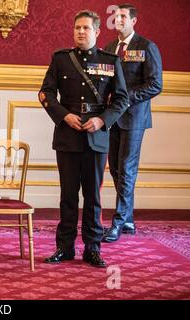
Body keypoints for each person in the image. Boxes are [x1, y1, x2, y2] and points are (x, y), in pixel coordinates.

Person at [39, 10, 129, 267]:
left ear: (97, 32)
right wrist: (64, 116)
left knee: (93, 197)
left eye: (86, 28)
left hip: (96, 136)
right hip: (68, 135)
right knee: (68, 195)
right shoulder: (61, 59)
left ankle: (92, 248)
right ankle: (64, 247)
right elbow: (45, 93)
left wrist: (102, 120)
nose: (80, 32)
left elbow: (122, 98)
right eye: (77, 27)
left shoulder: (110, 61)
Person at [103, 4, 163, 242]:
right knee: (116, 169)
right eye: (115, 16)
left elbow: (155, 84)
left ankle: (118, 222)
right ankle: (127, 219)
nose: (118, 19)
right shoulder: (109, 48)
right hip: (112, 119)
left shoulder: (146, 47)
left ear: (133, 21)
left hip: (134, 118)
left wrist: (125, 99)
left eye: (123, 16)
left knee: (126, 169)